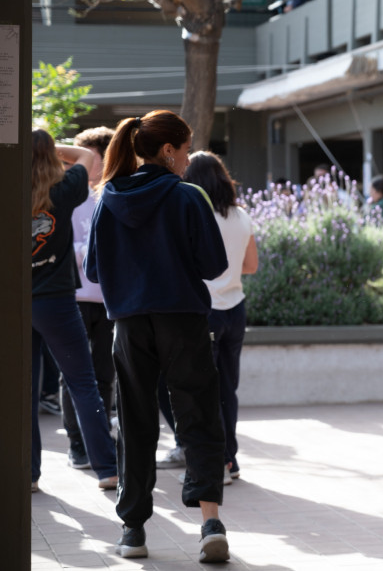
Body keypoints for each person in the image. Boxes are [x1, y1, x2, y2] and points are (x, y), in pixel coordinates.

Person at [85, 110, 231, 563]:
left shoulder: (108, 198)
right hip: (183, 320)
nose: (188, 160)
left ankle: (133, 531)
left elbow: (92, 270)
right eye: (185, 150)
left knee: (134, 420)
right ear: (168, 150)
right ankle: (210, 523)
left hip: (128, 324)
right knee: (199, 414)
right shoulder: (189, 197)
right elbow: (214, 266)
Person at [30, 130, 119, 493]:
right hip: (57, 301)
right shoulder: (64, 189)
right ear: (53, 157)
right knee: (84, 384)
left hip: (19, 300)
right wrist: (48, 146)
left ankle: (29, 475)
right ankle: (107, 469)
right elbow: (88, 156)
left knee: (24, 394)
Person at [185, 151, 259, 484]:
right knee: (228, 388)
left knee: (205, 391)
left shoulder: (195, 215)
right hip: (236, 308)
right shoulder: (242, 216)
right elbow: (251, 266)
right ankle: (232, 458)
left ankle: (221, 462)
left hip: (206, 311)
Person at [62, 126, 117, 472]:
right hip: (75, 297)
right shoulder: (68, 195)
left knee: (104, 374)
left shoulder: (111, 196)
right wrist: (88, 251)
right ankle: (76, 443)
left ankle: (99, 437)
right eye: (98, 157)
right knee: (74, 374)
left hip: (109, 300)